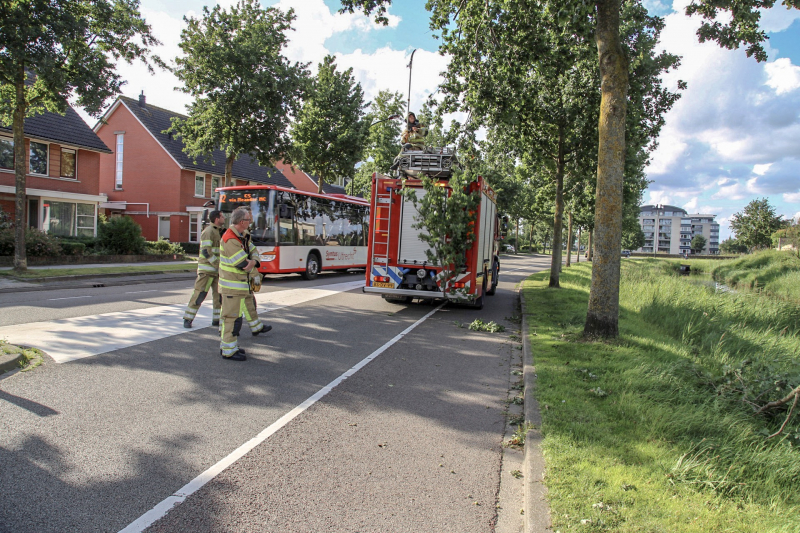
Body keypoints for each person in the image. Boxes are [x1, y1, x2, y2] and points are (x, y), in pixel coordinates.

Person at [219, 207, 271, 361]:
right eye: (249, 219)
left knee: (236, 319)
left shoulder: (243, 235)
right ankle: (228, 351)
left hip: (239, 286)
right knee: (231, 319)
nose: (251, 222)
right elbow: (242, 263)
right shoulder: (230, 238)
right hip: (231, 287)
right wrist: (252, 261)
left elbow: (254, 252)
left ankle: (231, 346)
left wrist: (254, 261)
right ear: (242, 222)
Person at [183, 210, 224, 328]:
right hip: (207, 271)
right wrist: (217, 264)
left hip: (216, 272)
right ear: (217, 218)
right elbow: (206, 252)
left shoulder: (217, 232)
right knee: (199, 295)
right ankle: (188, 319)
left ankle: (216, 320)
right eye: (222, 217)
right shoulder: (208, 231)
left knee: (219, 297)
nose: (224, 219)